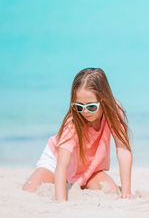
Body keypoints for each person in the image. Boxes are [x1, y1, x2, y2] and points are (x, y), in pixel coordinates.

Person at [22, 68, 133, 201]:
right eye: (79, 106)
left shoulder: (114, 111)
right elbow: (62, 165)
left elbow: (123, 149)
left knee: (111, 191)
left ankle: (82, 182)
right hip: (57, 160)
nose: (85, 112)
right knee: (29, 189)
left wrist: (126, 192)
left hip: (91, 166)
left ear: (104, 100)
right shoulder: (73, 121)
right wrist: (61, 201)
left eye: (91, 106)